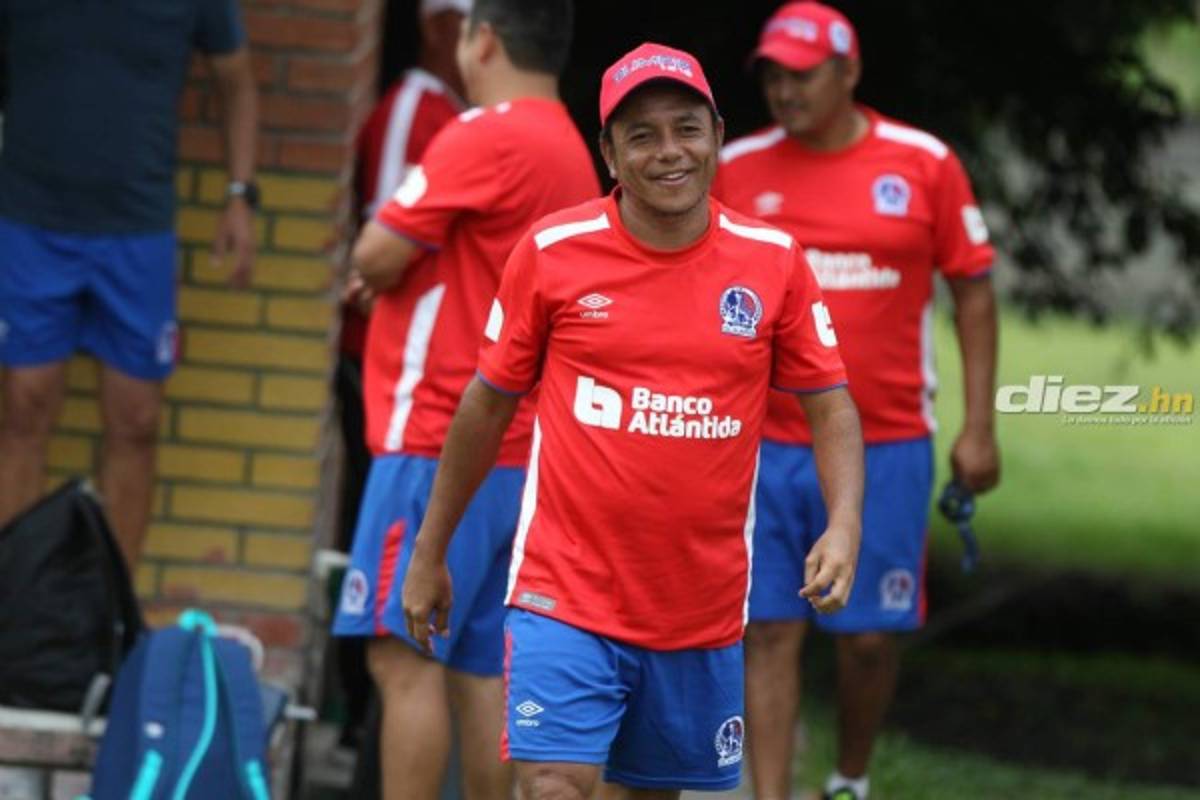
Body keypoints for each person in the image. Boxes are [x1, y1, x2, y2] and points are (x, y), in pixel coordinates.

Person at [401, 42, 866, 800]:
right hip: (566, 590)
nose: (668, 152)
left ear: (717, 134)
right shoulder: (553, 254)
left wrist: (844, 523)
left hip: (700, 608)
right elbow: (486, 403)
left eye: (685, 128)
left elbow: (831, 405)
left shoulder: (774, 261)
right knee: (555, 784)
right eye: (641, 136)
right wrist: (431, 550)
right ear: (608, 153)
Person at [715, 4, 1001, 799]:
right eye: (771, 75)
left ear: (849, 72)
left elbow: (973, 291)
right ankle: (768, 793)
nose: (783, 90)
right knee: (767, 630)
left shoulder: (924, 163)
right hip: (766, 442)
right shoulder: (736, 165)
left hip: (888, 443)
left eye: (800, 74)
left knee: (867, 639)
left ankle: (847, 780)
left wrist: (979, 428)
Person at [330, 1, 598, 797]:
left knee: (401, 655)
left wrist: (386, 270)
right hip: (514, 446)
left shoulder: (486, 132)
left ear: (482, 39)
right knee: (478, 664)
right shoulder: (571, 150)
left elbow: (374, 250)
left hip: (436, 437)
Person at [0, 0, 258, 569]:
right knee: (23, 409)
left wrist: (240, 195)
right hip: (30, 223)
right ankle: (12, 613)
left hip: (137, 231)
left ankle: (110, 618)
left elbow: (236, 80)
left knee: (136, 421)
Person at [332, 0, 470, 762]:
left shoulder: (457, 114)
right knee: (381, 586)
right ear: (441, 26)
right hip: (384, 376)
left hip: (421, 389)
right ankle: (358, 725)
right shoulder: (419, 104)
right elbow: (377, 250)